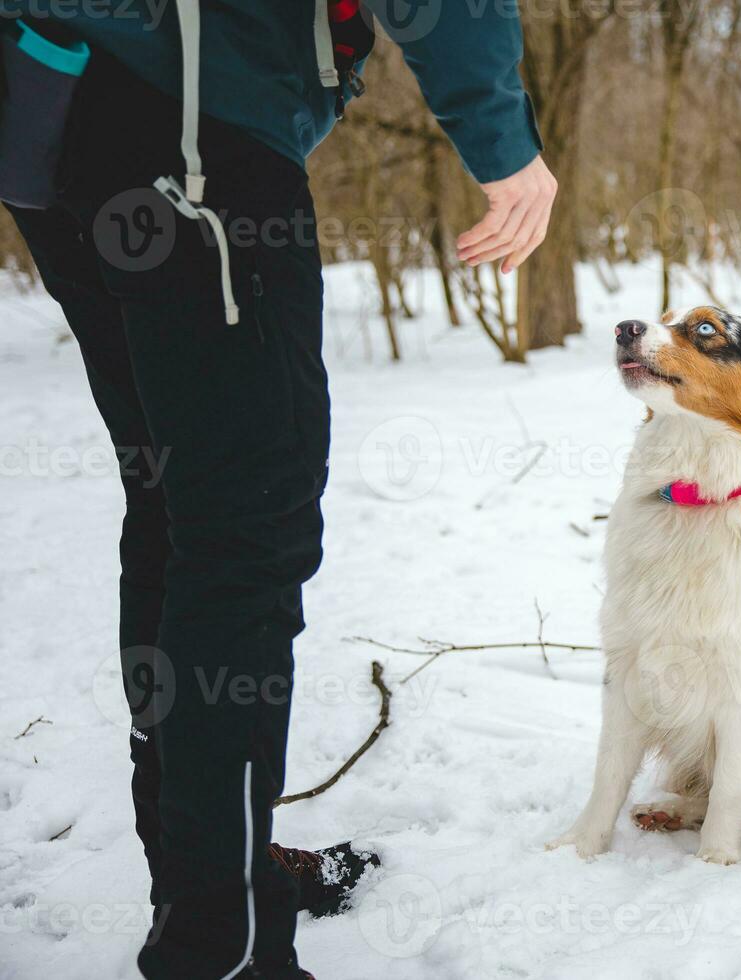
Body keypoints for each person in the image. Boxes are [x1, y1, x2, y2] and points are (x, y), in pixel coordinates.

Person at [0, 2, 556, 976]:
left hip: (60, 112)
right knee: (245, 526)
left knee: (182, 510)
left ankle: (211, 882)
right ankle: (223, 942)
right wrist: (501, 136)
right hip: (183, 107)